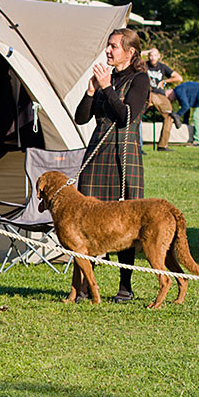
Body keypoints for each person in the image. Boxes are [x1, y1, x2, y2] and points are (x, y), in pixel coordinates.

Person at [74, 27, 150, 303]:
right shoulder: (105, 78)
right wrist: (91, 91)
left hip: (124, 154)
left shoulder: (140, 79)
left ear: (129, 52)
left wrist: (107, 87)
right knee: (89, 219)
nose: (108, 50)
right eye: (108, 45)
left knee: (125, 222)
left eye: (113, 46)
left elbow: (126, 116)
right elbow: (81, 118)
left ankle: (125, 286)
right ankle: (85, 285)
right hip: (97, 153)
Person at [143, 48, 184, 151]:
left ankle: (162, 145)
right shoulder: (144, 65)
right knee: (137, 115)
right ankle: (136, 145)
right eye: (150, 55)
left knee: (169, 117)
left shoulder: (163, 67)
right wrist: (147, 51)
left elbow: (179, 78)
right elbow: (135, 57)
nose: (152, 58)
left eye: (155, 55)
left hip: (160, 95)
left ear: (159, 56)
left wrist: (165, 81)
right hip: (147, 93)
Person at [168, 81, 199, 147]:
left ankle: (198, 141)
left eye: (168, 98)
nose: (170, 100)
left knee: (197, 116)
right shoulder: (179, 91)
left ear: (170, 92)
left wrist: (177, 116)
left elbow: (186, 106)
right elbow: (186, 108)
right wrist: (185, 122)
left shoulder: (178, 90)